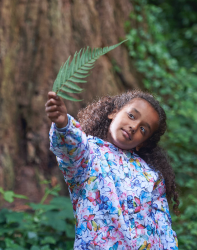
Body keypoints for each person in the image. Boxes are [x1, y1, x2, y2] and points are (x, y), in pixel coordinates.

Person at [45, 90, 179, 250]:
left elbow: (163, 225)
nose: (134, 126)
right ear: (114, 113)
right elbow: (71, 145)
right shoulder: (88, 154)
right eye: (131, 116)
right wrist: (63, 123)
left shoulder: (151, 175)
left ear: (142, 143)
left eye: (143, 130)